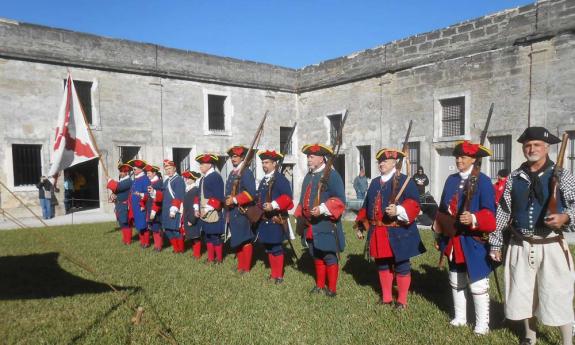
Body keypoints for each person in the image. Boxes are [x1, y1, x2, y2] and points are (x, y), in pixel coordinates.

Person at [489, 127, 575, 345]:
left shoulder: (563, 175)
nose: (532, 149)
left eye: (537, 144)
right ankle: (530, 336)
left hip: (551, 244)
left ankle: (567, 340)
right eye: (528, 145)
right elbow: (502, 211)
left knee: (558, 293)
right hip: (521, 244)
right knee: (523, 292)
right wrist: (496, 243)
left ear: (546, 147)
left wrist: (565, 217)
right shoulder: (514, 178)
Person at [434, 140, 496, 335]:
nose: (459, 160)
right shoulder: (451, 180)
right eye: (458, 157)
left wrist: (474, 218)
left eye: (463, 157)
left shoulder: (484, 181)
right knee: (456, 277)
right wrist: (438, 232)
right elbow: (443, 209)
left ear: (474, 159)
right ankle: (460, 317)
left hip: (473, 239)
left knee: (477, 281)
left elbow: (490, 214)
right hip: (453, 238)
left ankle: (482, 324)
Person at [354, 148, 424, 309]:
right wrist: (360, 225)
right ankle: (386, 298)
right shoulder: (374, 182)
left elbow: (414, 203)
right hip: (378, 231)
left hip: (398, 231)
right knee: (382, 264)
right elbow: (367, 205)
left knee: (401, 265)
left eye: (385, 161)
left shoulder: (405, 181)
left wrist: (398, 210)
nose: (381, 164)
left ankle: (402, 300)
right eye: (380, 161)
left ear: (394, 163)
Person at [294, 143, 346, 297]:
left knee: (329, 255)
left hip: (326, 223)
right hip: (310, 225)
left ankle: (332, 289)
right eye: (308, 157)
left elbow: (340, 200)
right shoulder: (309, 176)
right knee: (316, 254)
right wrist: (299, 214)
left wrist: (323, 208)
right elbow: (304, 198)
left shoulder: (332, 175)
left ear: (321, 158)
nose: (308, 160)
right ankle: (319, 285)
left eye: (311, 157)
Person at [255, 150, 294, 283]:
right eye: (262, 162)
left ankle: (279, 276)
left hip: (276, 219)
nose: (263, 165)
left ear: (274, 164)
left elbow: (288, 198)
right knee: (269, 248)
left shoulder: (280, 179)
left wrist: (273, 204)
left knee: (277, 247)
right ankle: (273, 274)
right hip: (265, 219)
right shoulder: (265, 180)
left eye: (266, 162)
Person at [225, 146, 257, 274]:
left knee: (245, 239)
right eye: (232, 157)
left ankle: (246, 267)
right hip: (233, 211)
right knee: (237, 238)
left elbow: (251, 194)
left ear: (242, 157)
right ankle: (240, 266)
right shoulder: (234, 173)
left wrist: (234, 200)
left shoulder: (246, 172)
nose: (233, 159)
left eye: (236, 156)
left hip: (243, 211)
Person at [194, 154, 225, 264]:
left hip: (213, 211)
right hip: (203, 211)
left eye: (202, 164)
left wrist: (206, 209)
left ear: (210, 165)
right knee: (207, 235)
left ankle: (219, 259)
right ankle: (211, 257)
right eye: (200, 164)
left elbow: (218, 197)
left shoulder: (215, 176)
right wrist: (197, 208)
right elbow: (199, 194)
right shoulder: (203, 178)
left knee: (215, 236)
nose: (200, 166)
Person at [161, 159, 186, 253]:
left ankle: (181, 249)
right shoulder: (167, 180)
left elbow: (179, 196)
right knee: (168, 230)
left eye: (170, 168)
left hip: (175, 209)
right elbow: (163, 193)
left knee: (176, 230)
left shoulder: (179, 180)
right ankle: (176, 249)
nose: (168, 171)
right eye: (166, 169)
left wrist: (173, 210)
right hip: (166, 209)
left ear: (174, 168)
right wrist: (154, 192)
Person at [106, 163, 133, 244]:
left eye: (122, 171)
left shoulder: (128, 181)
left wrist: (110, 180)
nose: (120, 173)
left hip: (124, 205)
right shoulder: (122, 181)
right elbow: (116, 190)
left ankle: (128, 240)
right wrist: (114, 195)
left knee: (125, 222)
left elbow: (118, 187)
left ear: (127, 173)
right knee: (121, 222)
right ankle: (125, 239)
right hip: (119, 204)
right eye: (120, 171)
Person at [129, 159, 151, 248]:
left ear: (141, 169)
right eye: (133, 169)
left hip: (141, 205)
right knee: (138, 224)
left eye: (135, 169)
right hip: (135, 206)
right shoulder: (136, 179)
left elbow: (148, 193)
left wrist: (141, 195)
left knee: (143, 225)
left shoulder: (145, 179)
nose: (133, 171)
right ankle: (142, 242)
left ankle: (146, 242)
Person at [142, 165, 163, 251]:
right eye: (147, 173)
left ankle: (159, 246)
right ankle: (156, 245)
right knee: (153, 228)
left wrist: (154, 211)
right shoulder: (151, 182)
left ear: (154, 173)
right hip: (151, 208)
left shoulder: (158, 183)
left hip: (156, 209)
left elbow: (158, 198)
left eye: (149, 173)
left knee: (157, 228)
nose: (147, 175)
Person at [182, 170, 202, 258]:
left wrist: (192, 220)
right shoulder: (188, 189)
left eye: (189, 178)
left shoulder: (195, 190)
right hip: (187, 216)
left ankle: (197, 254)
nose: (187, 180)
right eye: (186, 178)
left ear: (193, 179)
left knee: (196, 237)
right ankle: (195, 253)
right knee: (191, 236)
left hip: (193, 217)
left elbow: (195, 206)